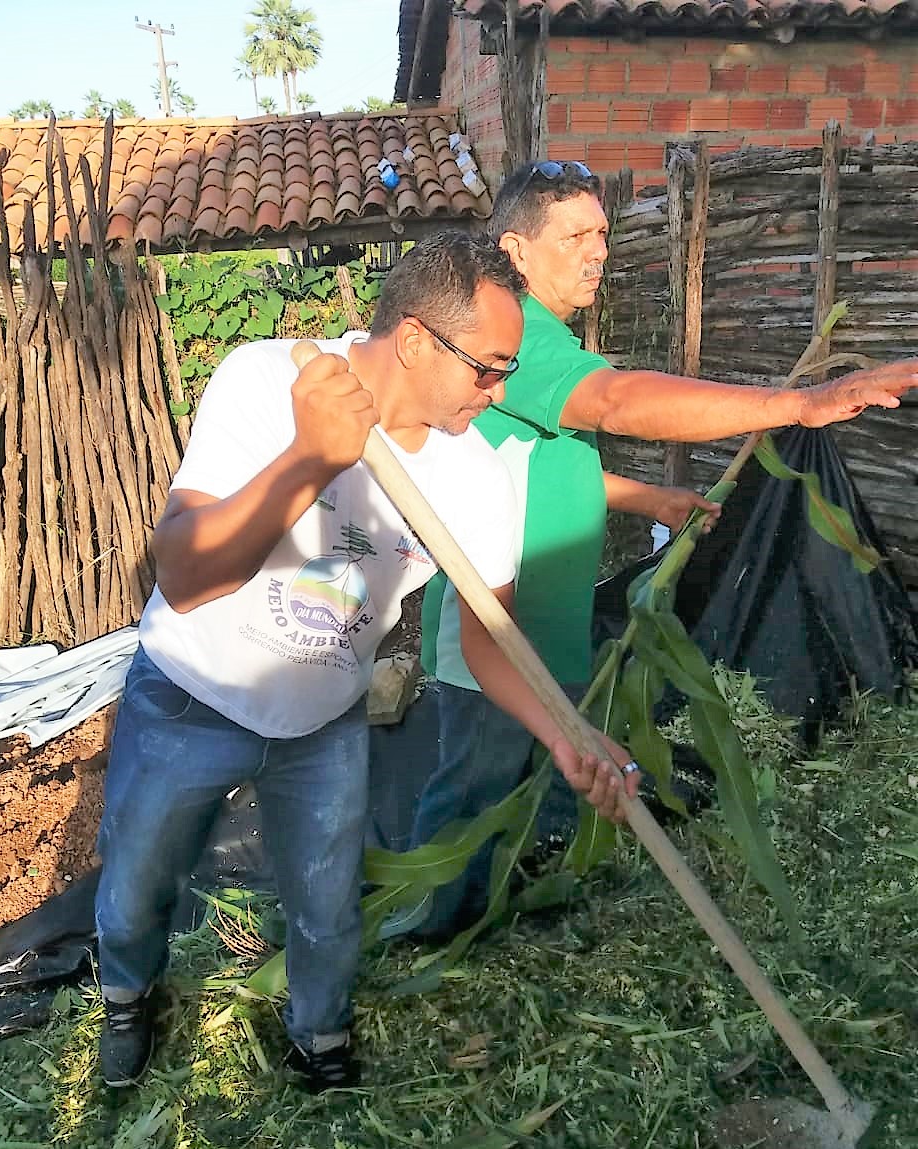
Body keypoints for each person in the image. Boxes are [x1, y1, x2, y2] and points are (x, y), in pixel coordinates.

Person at [93, 230, 643, 1093]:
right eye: (488, 368)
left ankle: (319, 1039)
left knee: (326, 906)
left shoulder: (476, 475)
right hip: (192, 693)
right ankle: (127, 998)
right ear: (418, 339)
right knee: (134, 883)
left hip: (323, 723)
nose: (500, 392)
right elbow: (188, 576)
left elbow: (485, 639)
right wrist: (312, 457)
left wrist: (568, 736)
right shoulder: (270, 382)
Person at [406, 160, 918, 942]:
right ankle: (427, 935)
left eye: (602, 234)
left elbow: (539, 457)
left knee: (539, 781)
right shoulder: (514, 335)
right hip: (494, 632)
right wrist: (797, 405)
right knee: (471, 794)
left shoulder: (538, 340)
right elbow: (613, 403)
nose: (597, 251)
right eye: (575, 235)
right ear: (515, 249)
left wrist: (649, 499)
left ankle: (508, 919)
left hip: (549, 617)